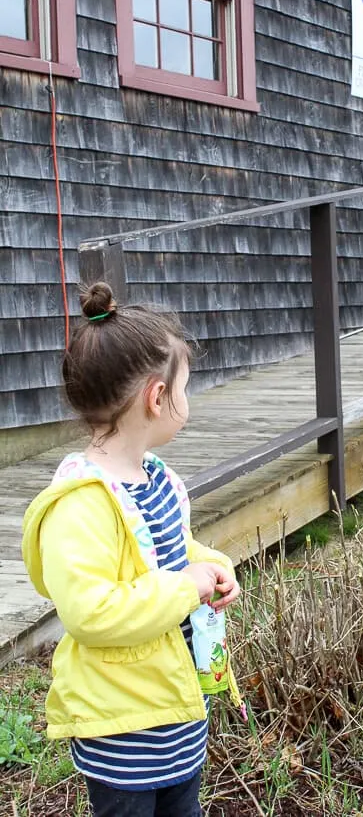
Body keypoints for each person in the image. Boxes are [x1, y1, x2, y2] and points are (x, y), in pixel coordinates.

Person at [22, 282, 243, 817]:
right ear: (156, 396)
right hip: (123, 729)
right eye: (184, 387)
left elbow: (172, 550)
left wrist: (212, 567)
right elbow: (89, 612)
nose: (186, 400)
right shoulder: (82, 504)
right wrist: (185, 586)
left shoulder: (156, 480)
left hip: (175, 710)